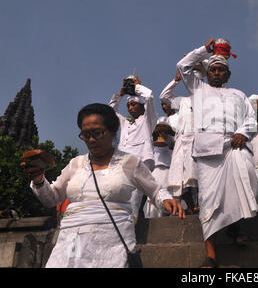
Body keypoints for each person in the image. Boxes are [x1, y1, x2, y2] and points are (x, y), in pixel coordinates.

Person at [23, 103, 184, 268]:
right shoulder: (75, 164)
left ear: (113, 132)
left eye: (98, 133)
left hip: (112, 243)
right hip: (70, 243)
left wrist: (166, 200)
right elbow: (52, 198)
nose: (92, 139)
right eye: (86, 135)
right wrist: (39, 180)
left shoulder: (130, 162)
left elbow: (156, 190)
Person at [176, 38, 258, 268]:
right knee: (209, 201)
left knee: (249, 180)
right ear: (207, 72)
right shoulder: (198, 89)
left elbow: (250, 119)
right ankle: (211, 256)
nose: (216, 73)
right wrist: (204, 50)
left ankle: (235, 225)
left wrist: (243, 133)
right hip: (208, 152)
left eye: (221, 70)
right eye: (213, 69)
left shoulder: (239, 94)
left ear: (227, 75)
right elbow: (183, 66)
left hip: (235, 147)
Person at [108, 75, 158, 223]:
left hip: (140, 163)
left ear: (142, 107)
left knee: (133, 198)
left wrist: (137, 87)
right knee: (118, 196)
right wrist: (121, 94)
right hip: (121, 163)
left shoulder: (148, 121)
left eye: (134, 105)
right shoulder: (125, 124)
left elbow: (149, 96)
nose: (130, 108)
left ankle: (130, 228)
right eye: (128, 106)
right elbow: (109, 111)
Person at [161, 72, 202, 214]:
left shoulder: (207, 99)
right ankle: (191, 206)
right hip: (180, 141)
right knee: (179, 177)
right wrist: (175, 80)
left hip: (197, 139)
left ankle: (199, 205)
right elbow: (164, 96)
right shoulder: (183, 100)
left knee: (195, 174)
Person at [143, 118, 175, 218]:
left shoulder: (172, 141)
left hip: (169, 172)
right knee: (155, 199)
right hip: (156, 172)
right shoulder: (153, 146)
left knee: (169, 196)